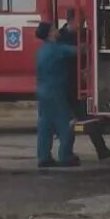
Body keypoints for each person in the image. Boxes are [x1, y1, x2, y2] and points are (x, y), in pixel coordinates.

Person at [57, 14, 110, 162]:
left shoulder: (84, 34)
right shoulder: (60, 37)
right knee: (69, 121)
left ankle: (100, 150)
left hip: (81, 83)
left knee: (88, 118)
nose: (83, 24)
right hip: (67, 85)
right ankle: (66, 154)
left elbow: (91, 51)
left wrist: (88, 69)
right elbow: (63, 56)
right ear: (71, 20)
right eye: (81, 21)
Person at [35, 20, 79, 168]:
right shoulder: (56, 50)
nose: (57, 30)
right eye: (54, 29)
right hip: (56, 92)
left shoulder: (42, 50)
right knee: (65, 123)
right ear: (50, 34)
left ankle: (44, 157)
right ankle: (66, 156)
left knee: (45, 125)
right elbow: (77, 51)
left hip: (43, 91)